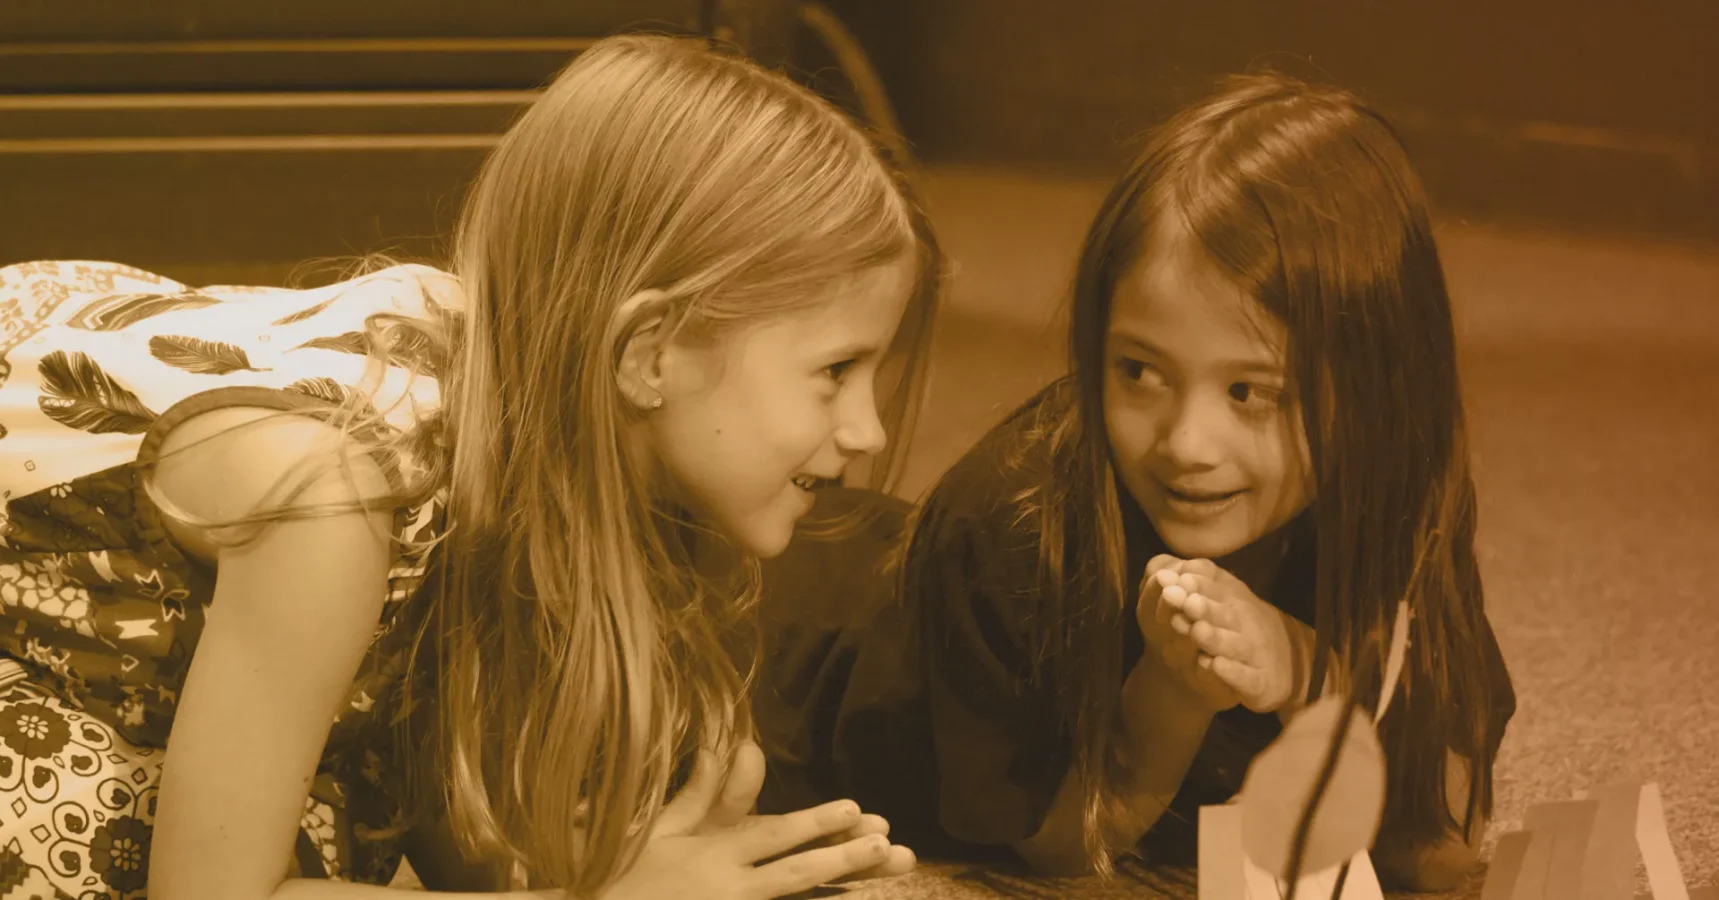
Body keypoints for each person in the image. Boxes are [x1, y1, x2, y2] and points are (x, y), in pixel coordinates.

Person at [0, 33, 938, 900]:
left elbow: (461, 822)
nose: (864, 429)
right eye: (834, 371)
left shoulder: (539, 416)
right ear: (650, 352)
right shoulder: (333, 496)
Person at [753, 72, 1517, 893]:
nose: (1186, 443)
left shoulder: (1389, 481)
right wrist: (1174, 692)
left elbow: (1444, 831)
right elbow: (1060, 853)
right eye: (1139, 370)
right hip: (788, 668)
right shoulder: (1012, 514)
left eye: (1248, 391)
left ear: (1379, 391)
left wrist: (1304, 669)